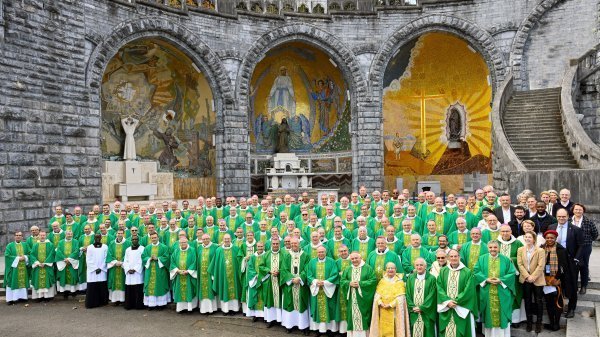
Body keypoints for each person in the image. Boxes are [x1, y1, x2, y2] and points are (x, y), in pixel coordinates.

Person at [473, 240, 517, 337]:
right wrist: (486, 279)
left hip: (502, 291)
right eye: (491, 247)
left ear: (499, 248)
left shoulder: (506, 259)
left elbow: (512, 273)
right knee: (488, 313)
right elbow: (476, 271)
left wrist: (501, 280)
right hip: (487, 290)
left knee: (502, 312)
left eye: (495, 247)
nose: (493, 249)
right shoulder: (482, 259)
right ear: (488, 248)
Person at [549, 208, 583, 318]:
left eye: (563, 216)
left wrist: (576, 259)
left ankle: (571, 308)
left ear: (568, 216)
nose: (561, 218)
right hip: (555, 261)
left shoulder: (576, 229)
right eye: (559, 216)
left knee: (572, 285)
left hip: (570, 261)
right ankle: (559, 307)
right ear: (556, 216)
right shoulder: (552, 227)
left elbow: (581, 246)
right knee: (557, 284)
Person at [436, 249, 478, 337]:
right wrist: (447, 302)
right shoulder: (443, 271)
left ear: (459, 257)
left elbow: (468, 290)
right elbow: (439, 287)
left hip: (461, 307)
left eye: (455, 256)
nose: (453, 258)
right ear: (448, 258)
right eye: (451, 256)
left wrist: (455, 302)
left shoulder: (467, 272)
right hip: (446, 306)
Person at [341, 252, 377, 337]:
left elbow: (373, 281)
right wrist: (349, 283)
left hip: (363, 299)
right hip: (351, 298)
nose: (354, 260)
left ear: (361, 258)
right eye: (352, 259)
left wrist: (360, 284)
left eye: (356, 258)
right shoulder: (348, 269)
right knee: (352, 316)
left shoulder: (368, 268)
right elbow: (342, 281)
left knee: (364, 316)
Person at [369, 262, 411, 337]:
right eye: (388, 268)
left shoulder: (399, 282)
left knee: (394, 329)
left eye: (392, 268)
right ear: (386, 270)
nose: (390, 270)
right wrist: (380, 302)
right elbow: (377, 295)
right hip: (383, 309)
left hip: (394, 310)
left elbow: (401, 298)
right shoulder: (382, 281)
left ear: (396, 269)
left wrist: (390, 305)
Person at [517, 231, 546, 333]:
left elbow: (541, 265)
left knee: (538, 300)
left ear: (534, 239)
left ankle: (538, 322)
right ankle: (529, 322)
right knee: (528, 300)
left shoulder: (540, 250)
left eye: (530, 237)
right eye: (526, 237)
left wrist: (533, 276)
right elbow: (519, 264)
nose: (527, 239)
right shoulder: (520, 249)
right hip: (525, 278)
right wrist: (527, 276)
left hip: (537, 278)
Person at [540, 230, 569, 331]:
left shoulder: (561, 250)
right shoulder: (541, 249)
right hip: (545, 280)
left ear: (555, 238)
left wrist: (556, 279)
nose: (549, 239)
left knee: (557, 302)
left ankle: (556, 323)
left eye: (552, 238)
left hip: (557, 280)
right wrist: (545, 279)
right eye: (547, 238)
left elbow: (564, 266)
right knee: (549, 302)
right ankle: (552, 323)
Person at [307, 246, 339, 335]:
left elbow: (335, 274)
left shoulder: (331, 261)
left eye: (322, 252)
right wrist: (316, 281)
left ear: (326, 252)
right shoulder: (312, 262)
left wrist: (325, 283)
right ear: (316, 253)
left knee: (329, 308)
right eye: (319, 252)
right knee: (317, 308)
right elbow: (309, 275)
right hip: (317, 289)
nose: (321, 253)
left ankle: (330, 330)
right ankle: (318, 329)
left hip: (327, 289)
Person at [281, 237, 311, 334]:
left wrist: (300, 278)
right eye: (292, 243)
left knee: (301, 304)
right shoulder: (286, 255)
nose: (294, 245)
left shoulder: (305, 255)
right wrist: (291, 279)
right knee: (290, 304)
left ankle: (303, 326)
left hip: (301, 285)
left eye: (295, 243)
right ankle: (289, 325)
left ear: (299, 243)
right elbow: (284, 269)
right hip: (290, 284)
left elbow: (307, 268)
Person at [209, 233, 242, 314]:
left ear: (231, 239)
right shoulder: (219, 250)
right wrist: (215, 274)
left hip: (234, 276)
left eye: (228, 239)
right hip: (222, 276)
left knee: (234, 290)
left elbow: (240, 261)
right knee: (224, 290)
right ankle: (225, 309)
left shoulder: (236, 249)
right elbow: (215, 264)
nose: (227, 240)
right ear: (222, 240)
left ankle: (234, 309)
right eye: (225, 239)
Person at [571, 203, 598, 295]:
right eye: (576, 209)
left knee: (584, 266)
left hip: (585, 247)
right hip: (572, 247)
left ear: (583, 211)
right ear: (573, 210)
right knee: (573, 266)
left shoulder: (588, 221)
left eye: (580, 210)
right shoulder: (568, 221)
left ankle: (583, 286)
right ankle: (573, 286)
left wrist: (587, 241)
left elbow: (595, 234)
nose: (578, 211)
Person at [406, 258, 437, 337]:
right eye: (417, 265)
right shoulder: (410, 278)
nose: (419, 267)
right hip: (414, 312)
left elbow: (432, 295)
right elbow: (408, 294)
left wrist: (422, 307)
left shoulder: (432, 278)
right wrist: (412, 307)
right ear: (414, 266)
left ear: (425, 266)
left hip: (426, 312)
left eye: (421, 265)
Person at [142, 232, 170, 309]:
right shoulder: (147, 248)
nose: (154, 239)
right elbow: (143, 257)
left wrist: (158, 258)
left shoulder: (164, 247)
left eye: (155, 237)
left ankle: (161, 304)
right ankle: (151, 305)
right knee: (150, 286)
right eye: (152, 238)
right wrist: (149, 259)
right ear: (150, 239)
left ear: (158, 238)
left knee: (160, 285)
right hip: (150, 270)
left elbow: (167, 257)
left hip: (160, 270)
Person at [170, 237, 198, 313]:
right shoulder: (176, 251)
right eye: (181, 242)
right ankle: (181, 308)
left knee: (189, 291)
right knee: (180, 291)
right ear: (179, 243)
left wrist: (188, 271)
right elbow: (172, 262)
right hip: (179, 275)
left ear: (187, 242)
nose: (183, 244)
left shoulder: (192, 250)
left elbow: (194, 262)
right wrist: (177, 270)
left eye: (184, 242)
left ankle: (190, 308)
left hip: (188, 275)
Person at [262, 237, 284, 326]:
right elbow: (261, 266)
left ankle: (280, 319)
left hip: (280, 281)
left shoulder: (284, 254)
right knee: (270, 300)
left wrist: (279, 271)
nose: (275, 245)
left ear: (279, 244)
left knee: (279, 299)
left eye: (277, 244)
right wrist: (269, 271)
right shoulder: (266, 254)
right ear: (271, 244)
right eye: (274, 244)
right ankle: (270, 320)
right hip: (269, 281)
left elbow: (286, 266)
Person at [4, 232, 30, 304]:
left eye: (20, 235)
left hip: (23, 268)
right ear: (14, 237)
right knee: (12, 282)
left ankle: (23, 297)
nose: (18, 237)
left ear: (22, 237)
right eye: (17, 235)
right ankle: (11, 299)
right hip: (13, 269)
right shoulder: (10, 245)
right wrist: (18, 258)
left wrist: (25, 257)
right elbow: (7, 255)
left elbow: (30, 253)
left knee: (22, 282)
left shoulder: (25, 244)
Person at [30, 231, 56, 302]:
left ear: (46, 236)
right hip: (38, 266)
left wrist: (45, 263)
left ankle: (48, 297)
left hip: (47, 266)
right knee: (38, 280)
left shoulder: (50, 245)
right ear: (39, 236)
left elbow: (52, 254)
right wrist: (37, 263)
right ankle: (39, 297)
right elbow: (32, 255)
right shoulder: (35, 245)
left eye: (43, 235)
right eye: (41, 235)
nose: (42, 237)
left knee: (47, 280)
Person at [107, 229, 130, 304]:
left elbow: (129, 254)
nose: (119, 234)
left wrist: (122, 262)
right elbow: (109, 254)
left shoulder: (128, 243)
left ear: (124, 234)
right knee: (114, 281)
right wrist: (115, 262)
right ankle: (115, 299)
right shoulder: (111, 243)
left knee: (123, 282)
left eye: (121, 233)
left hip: (123, 266)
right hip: (114, 266)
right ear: (116, 234)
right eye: (118, 233)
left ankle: (123, 299)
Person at [86, 233, 109, 308]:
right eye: (96, 237)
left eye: (99, 237)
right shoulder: (90, 247)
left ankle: (102, 302)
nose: (97, 239)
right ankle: (92, 303)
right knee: (92, 286)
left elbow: (106, 258)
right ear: (94, 238)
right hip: (92, 271)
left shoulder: (105, 247)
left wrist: (101, 268)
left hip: (102, 270)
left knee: (102, 286)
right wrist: (95, 268)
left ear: (101, 237)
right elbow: (88, 259)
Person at [196, 234, 218, 314]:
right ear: (201, 240)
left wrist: (213, 271)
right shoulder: (199, 248)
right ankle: (203, 309)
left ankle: (212, 308)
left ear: (210, 238)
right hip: (201, 273)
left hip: (210, 273)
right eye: (204, 239)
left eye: (207, 239)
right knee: (203, 290)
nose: (205, 240)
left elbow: (216, 259)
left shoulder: (215, 247)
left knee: (211, 290)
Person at [55, 230, 79, 299]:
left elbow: (77, 250)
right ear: (65, 234)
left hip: (72, 262)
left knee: (72, 276)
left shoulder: (75, 241)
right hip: (63, 262)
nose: (69, 235)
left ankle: (73, 292)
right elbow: (58, 251)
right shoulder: (61, 242)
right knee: (64, 277)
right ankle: (65, 293)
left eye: (71, 233)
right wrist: (64, 259)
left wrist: (69, 259)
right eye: (68, 233)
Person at [246, 241, 267, 320]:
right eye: (258, 246)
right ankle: (254, 314)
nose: (260, 248)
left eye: (261, 246)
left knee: (263, 296)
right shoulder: (252, 257)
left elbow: (267, 266)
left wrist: (262, 276)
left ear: (264, 247)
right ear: (256, 247)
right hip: (254, 280)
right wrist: (255, 275)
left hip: (264, 280)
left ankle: (264, 315)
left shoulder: (266, 255)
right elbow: (250, 268)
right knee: (254, 295)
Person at [123, 236, 145, 310]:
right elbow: (125, 260)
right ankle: (129, 305)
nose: (134, 241)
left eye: (136, 239)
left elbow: (141, 260)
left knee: (138, 289)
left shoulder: (142, 249)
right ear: (131, 240)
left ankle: (138, 305)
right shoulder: (128, 249)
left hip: (138, 273)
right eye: (133, 239)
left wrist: (135, 269)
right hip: (129, 272)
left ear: (138, 240)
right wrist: (128, 269)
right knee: (129, 289)